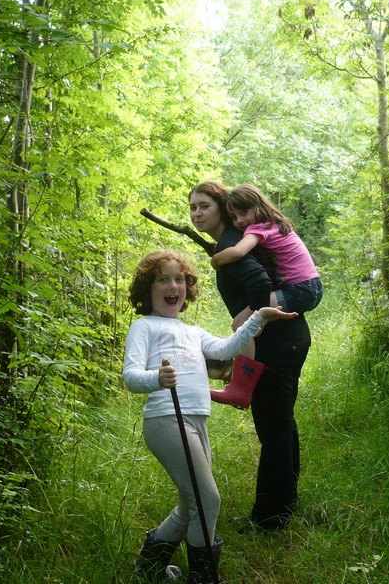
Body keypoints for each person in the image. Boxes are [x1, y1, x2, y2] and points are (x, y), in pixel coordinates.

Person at [122, 250, 296, 583]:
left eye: (179, 279)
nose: (173, 286)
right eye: (163, 279)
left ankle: (149, 566)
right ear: (148, 288)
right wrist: (156, 379)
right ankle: (203, 577)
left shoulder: (192, 331)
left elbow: (226, 348)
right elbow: (130, 376)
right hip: (166, 419)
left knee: (192, 504)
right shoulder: (144, 327)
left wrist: (258, 318)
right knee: (208, 498)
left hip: (196, 420)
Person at [189, 180, 313, 532]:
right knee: (281, 423)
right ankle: (284, 502)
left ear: (222, 208)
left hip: (277, 340)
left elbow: (259, 284)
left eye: (204, 206)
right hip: (287, 336)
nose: (197, 213)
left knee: (273, 429)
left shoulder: (233, 243)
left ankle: (269, 519)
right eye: (193, 208)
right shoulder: (233, 242)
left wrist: (247, 316)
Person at [210, 183, 323, 361]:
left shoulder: (258, 228)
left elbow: (238, 252)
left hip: (300, 289)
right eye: (233, 216)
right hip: (312, 285)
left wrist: (215, 260)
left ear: (259, 206)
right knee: (245, 325)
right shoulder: (275, 224)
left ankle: (241, 382)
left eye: (244, 212)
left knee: (242, 325)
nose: (239, 220)